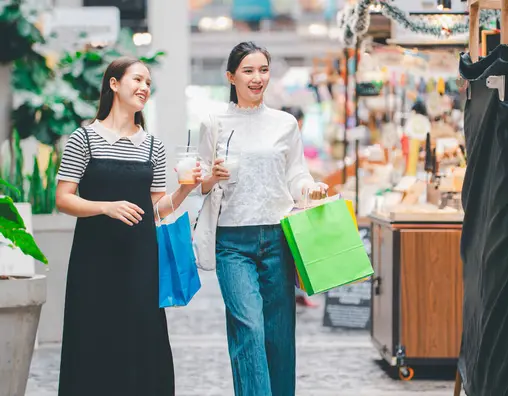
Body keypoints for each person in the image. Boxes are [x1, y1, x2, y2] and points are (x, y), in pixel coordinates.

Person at [55, 56, 202, 396]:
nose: (144, 88)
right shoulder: (84, 138)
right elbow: (63, 199)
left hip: (141, 259)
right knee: (92, 337)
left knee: (142, 339)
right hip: (93, 259)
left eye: (148, 83)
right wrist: (105, 206)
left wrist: (185, 188)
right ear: (114, 84)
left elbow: (158, 208)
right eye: (137, 80)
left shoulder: (153, 145)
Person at [197, 42, 327, 396]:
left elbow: (296, 175)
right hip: (232, 242)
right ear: (231, 76)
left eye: (263, 70)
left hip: (278, 238)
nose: (257, 78)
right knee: (249, 328)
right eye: (248, 71)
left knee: (279, 334)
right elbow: (200, 185)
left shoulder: (285, 123)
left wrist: (311, 189)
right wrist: (212, 176)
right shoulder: (213, 123)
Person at [281, 105, 319, 308]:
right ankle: (297, 294)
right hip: (288, 207)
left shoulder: (291, 138)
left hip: (294, 202)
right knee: (293, 252)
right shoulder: (285, 137)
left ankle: (298, 294)